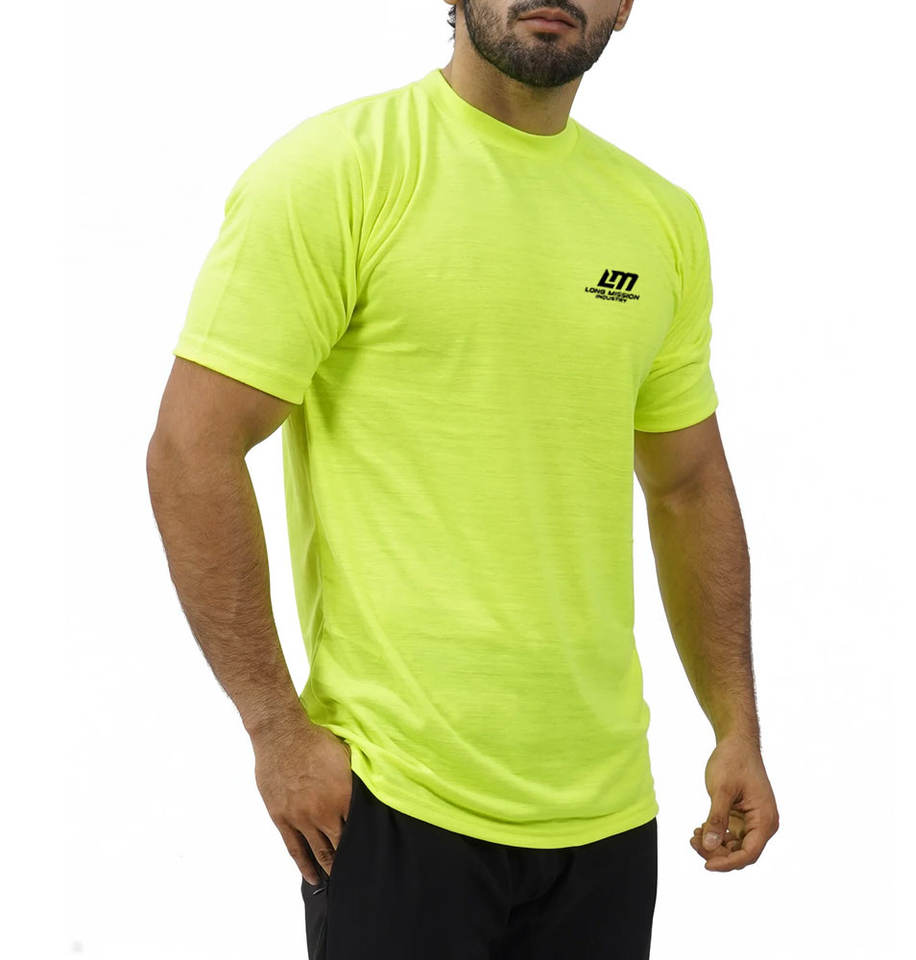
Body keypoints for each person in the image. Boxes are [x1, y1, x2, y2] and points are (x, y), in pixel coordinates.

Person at [146, 1, 779, 957]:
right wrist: (276, 729)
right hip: (395, 794)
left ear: (624, 5)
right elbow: (190, 448)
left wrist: (736, 726)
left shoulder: (659, 218)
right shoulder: (339, 170)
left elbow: (688, 485)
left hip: (606, 810)